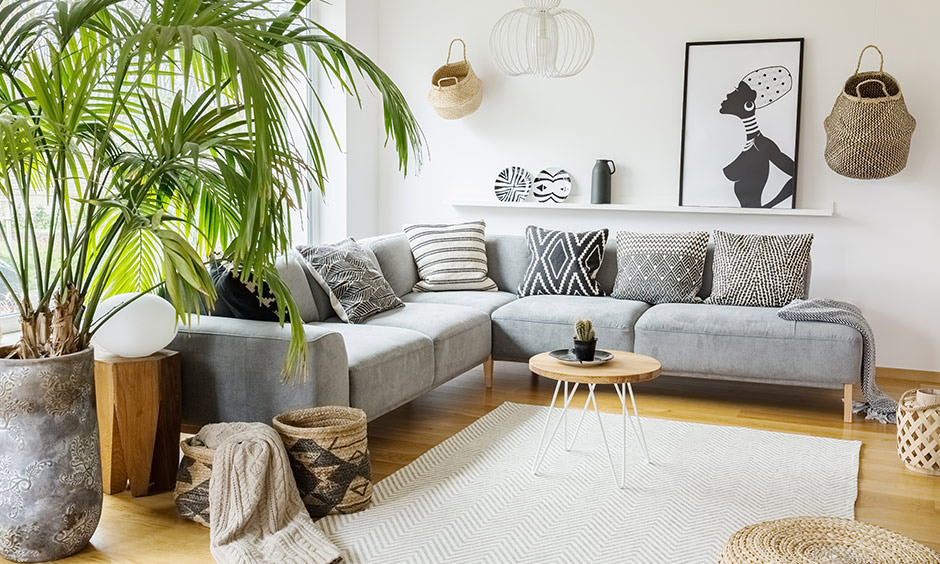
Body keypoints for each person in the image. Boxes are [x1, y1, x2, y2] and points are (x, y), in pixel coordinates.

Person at [720, 66, 795, 208]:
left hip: (754, 221)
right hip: (741, 221)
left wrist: (768, 207)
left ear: (748, 105)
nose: (729, 95)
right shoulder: (746, 143)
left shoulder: (761, 144)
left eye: (736, 91)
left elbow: (795, 175)